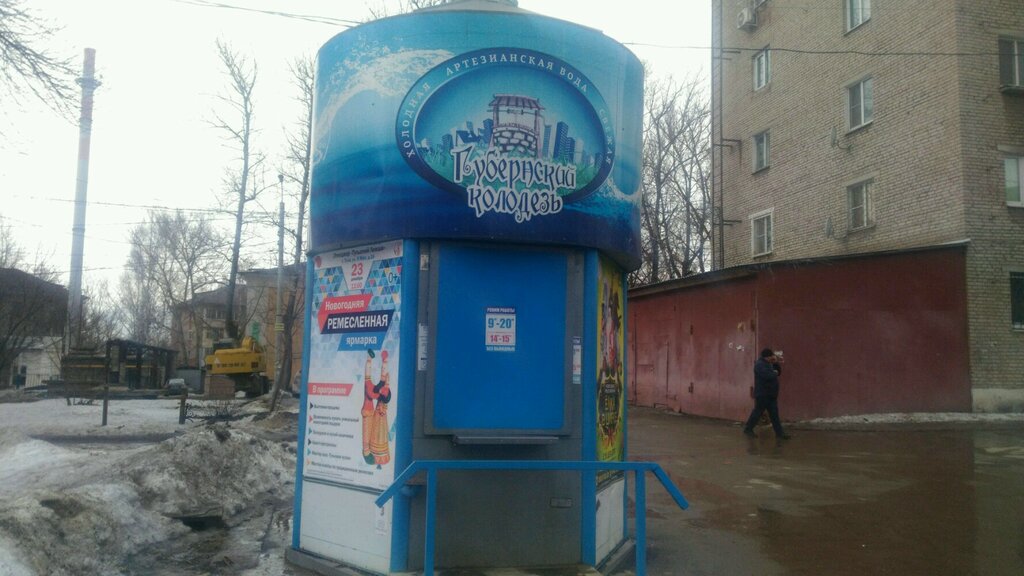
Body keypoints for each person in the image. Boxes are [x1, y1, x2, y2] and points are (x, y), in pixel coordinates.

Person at [743, 348, 791, 440]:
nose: (772, 357)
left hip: (771, 394)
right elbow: (768, 376)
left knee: (774, 415)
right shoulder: (759, 365)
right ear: (767, 357)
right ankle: (748, 429)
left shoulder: (769, 363)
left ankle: (780, 434)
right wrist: (774, 373)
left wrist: (776, 363)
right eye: (771, 356)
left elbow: (778, 372)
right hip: (763, 394)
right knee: (757, 412)